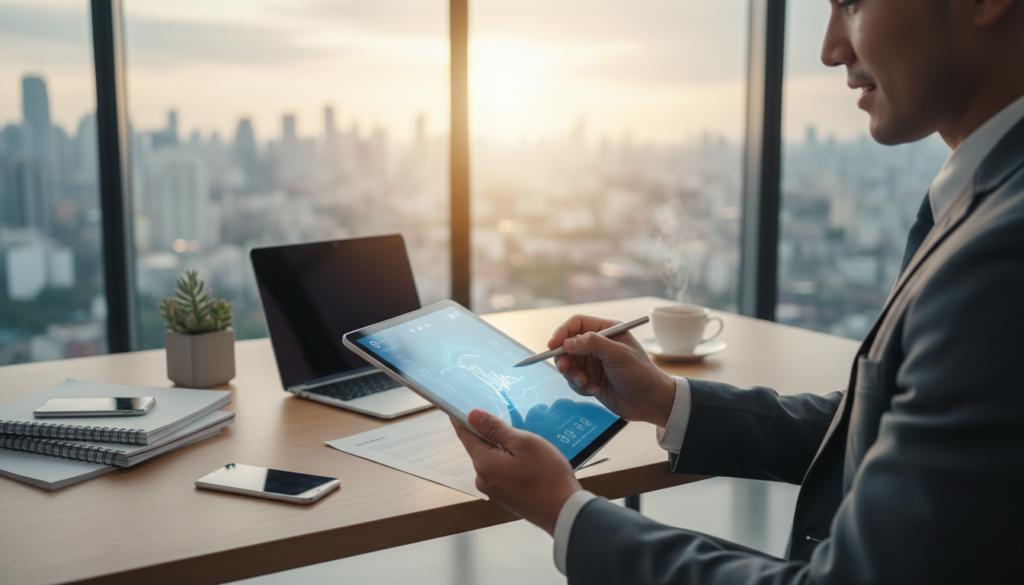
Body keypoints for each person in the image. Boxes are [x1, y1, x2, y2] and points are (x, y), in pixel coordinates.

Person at [452, 0, 1024, 582]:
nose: (831, 49)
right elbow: (883, 430)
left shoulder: (1003, 251)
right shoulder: (981, 200)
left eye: (852, 4)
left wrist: (567, 513)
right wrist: (666, 401)